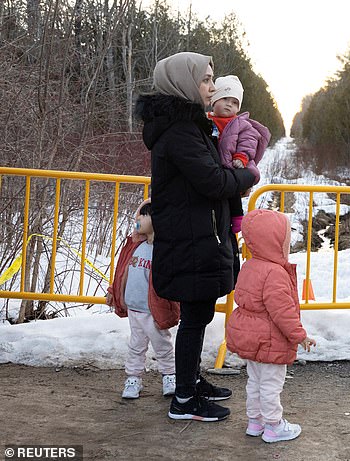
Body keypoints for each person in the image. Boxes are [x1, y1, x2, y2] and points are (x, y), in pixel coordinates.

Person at [134, 52, 256, 421]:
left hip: (195, 235)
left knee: (197, 315)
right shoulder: (181, 131)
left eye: (211, 78)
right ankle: (184, 399)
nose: (212, 86)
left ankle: (189, 380)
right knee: (194, 318)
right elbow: (213, 180)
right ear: (184, 83)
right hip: (189, 238)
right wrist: (249, 175)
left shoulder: (187, 125)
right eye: (204, 79)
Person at [225, 209, 317, 443]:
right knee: (271, 385)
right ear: (275, 241)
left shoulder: (250, 265)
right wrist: (300, 335)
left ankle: (255, 422)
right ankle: (274, 426)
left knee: (254, 382)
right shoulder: (275, 273)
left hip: (252, 339)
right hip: (270, 340)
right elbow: (282, 312)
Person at [106, 199, 180, 399]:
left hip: (155, 309)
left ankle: (169, 375)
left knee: (162, 345)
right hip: (134, 308)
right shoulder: (134, 246)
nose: (138, 218)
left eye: (144, 215)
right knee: (136, 346)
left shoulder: (165, 250)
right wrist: (113, 291)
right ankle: (133, 378)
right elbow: (122, 271)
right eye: (138, 214)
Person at [206, 74, 271, 235]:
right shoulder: (205, 120)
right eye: (225, 99)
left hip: (232, 165)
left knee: (233, 194)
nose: (229, 105)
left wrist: (242, 157)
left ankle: (237, 218)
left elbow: (249, 142)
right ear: (214, 100)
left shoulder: (241, 124)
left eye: (234, 102)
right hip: (212, 167)